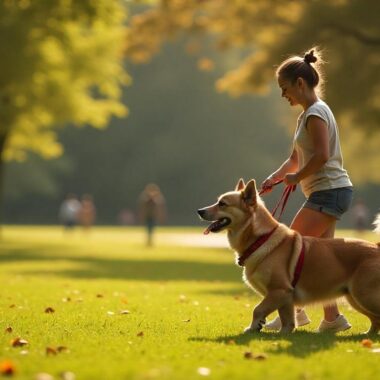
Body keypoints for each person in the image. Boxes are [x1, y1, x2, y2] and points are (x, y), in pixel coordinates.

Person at [261, 48, 353, 333]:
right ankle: (332, 319)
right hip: (328, 193)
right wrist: (276, 178)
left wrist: (297, 177)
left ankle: (292, 313)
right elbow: (295, 158)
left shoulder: (315, 114)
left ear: (300, 83)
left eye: (284, 88)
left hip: (329, 192)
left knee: (290, 249)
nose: (283, 94)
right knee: (321, 260)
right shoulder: (306, 117)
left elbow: (322, 156)